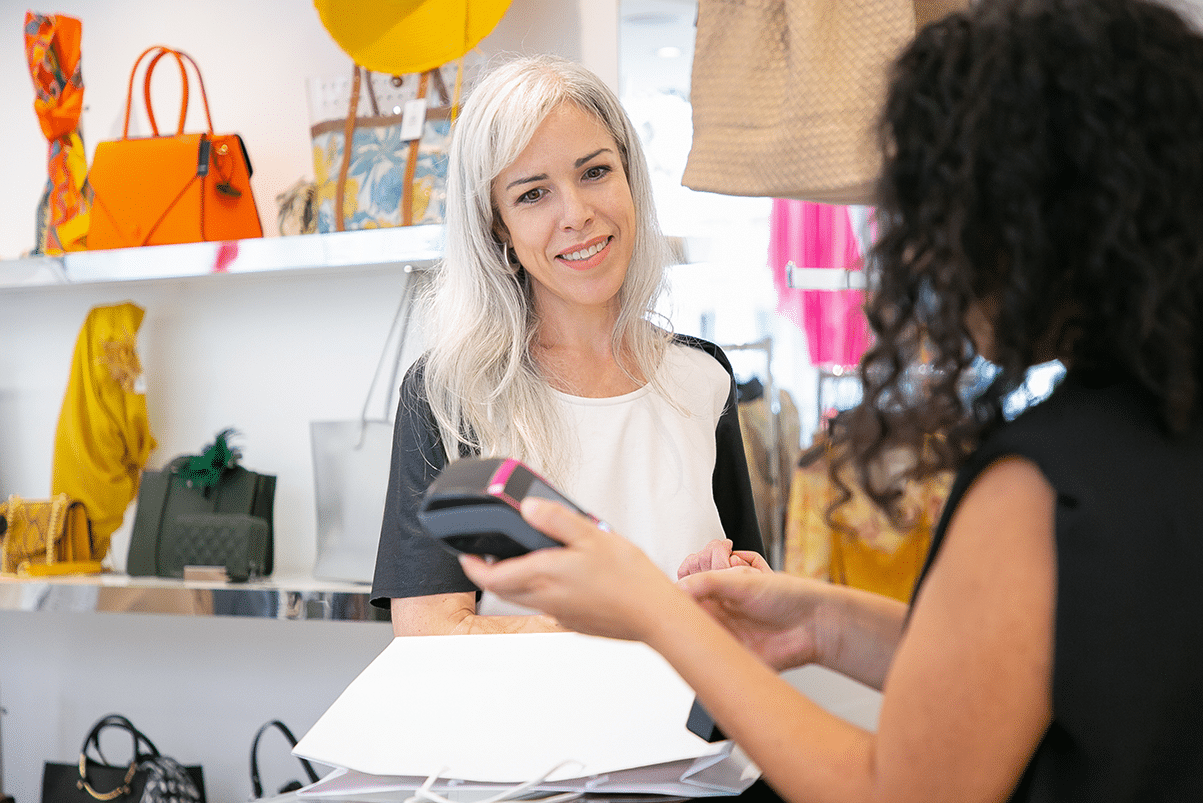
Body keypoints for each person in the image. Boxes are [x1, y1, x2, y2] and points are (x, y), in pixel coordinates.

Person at [460, 1, 1203, 800]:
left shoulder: (1039, 487)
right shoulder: (1164, 427)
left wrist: (654, 612)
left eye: (937, 205)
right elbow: (1055, 668)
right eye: (532, 192)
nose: (919, 248)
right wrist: (822, 625)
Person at [370, 54, 764, 636]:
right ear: (497, 225)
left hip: (683, 726)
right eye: (532, 195)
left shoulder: (703, 377)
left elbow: (744, 596)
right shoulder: (449, 395)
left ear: (630, 176)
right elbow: (430, 631)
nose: (578, 214)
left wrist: (740, 589)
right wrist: (651, 619)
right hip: (530, 727)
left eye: (595, 172)